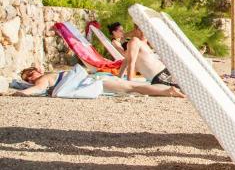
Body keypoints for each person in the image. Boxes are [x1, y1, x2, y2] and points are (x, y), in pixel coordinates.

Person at [16, 65, 184, 98]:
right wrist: (22, 90)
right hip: (96, 80)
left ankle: (169, 91)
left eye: (31, 74)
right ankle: (168, 91)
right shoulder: (46, 76)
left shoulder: (44, 77)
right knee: (134, 87)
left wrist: (20, 92)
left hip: (97, 81)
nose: (31, 78)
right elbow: (36, 88)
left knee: (134, 87)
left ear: (37, 71)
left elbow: (37, 88)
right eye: (27, 78)